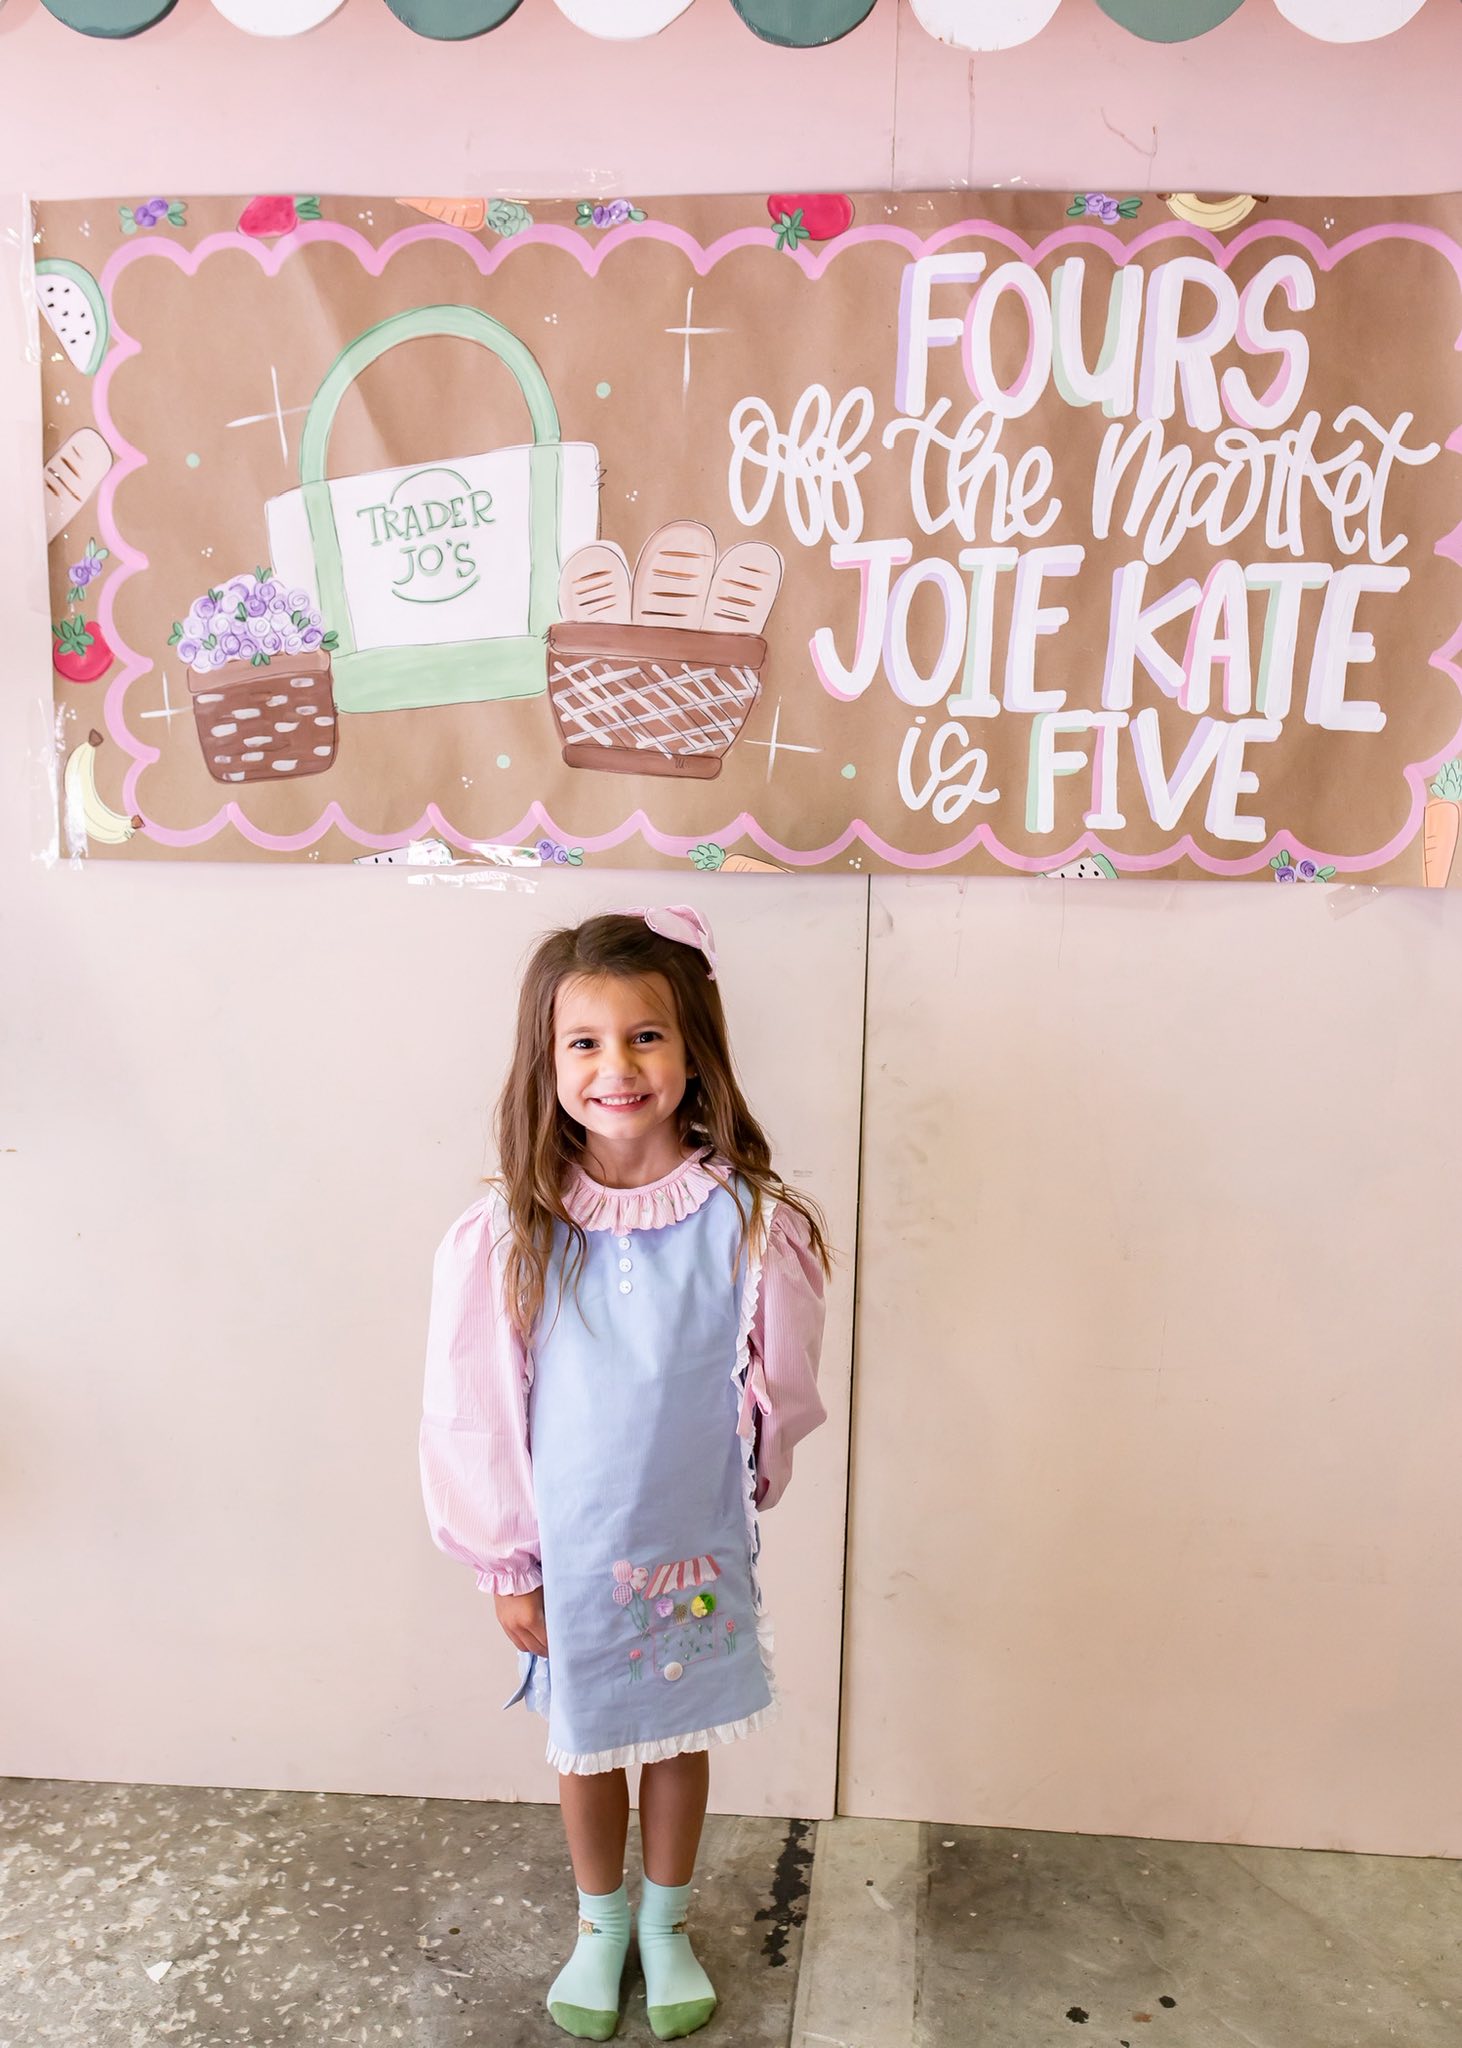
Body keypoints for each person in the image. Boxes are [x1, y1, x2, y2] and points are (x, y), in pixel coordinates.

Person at [419, 905, 830, 2041]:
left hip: (690, 1534)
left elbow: (781, 1383)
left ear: (692, 1046)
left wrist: (744, 1475)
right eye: (585, 1042)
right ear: (547, 1064)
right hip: (572, 1539)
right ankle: (600, 1923)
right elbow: (474, 1409)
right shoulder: (513, 1228)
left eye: (645, 1035)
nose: (616, 1066)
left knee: (679, 1726)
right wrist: (506, 1555)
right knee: (587, 1734)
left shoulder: (751, 1218)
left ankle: (667, 1917)